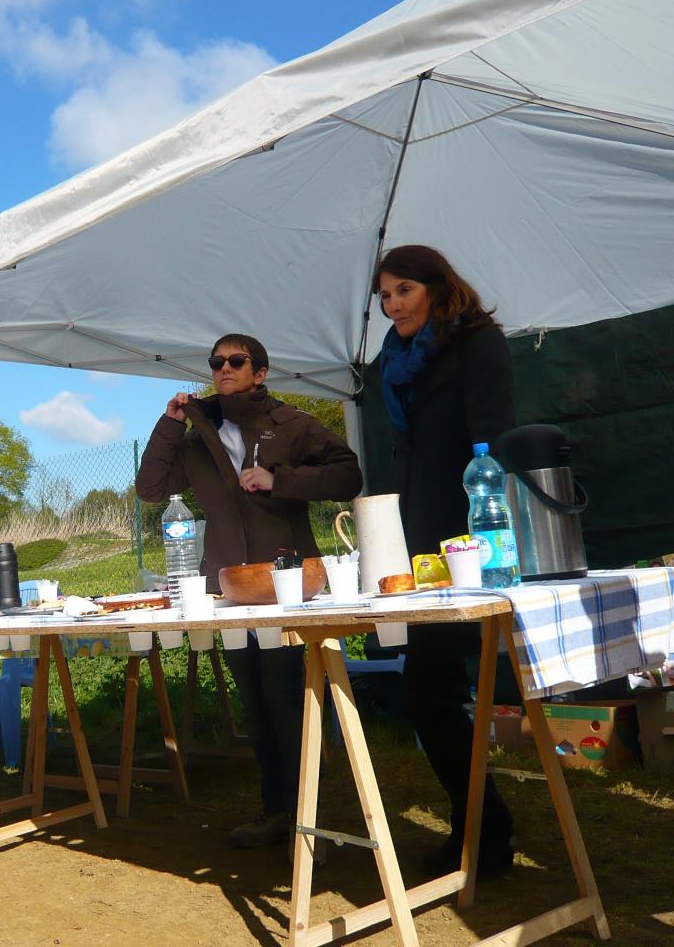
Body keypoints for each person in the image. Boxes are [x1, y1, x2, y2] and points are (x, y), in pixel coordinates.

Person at [136, 334, 362, 848]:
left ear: (260, 371)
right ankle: (276, 811)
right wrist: (170, 424)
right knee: (256, 705)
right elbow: (150, 488)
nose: (224, 369)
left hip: (286, 584)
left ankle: (313, 817)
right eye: (216, 363)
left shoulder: (290, 423)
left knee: (291, 699)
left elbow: (349, 473)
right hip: (230, 587)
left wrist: (278, 479)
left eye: (236, 361)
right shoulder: (196, 434)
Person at [371, 244, 517, 876]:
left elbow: (496, 439)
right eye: (383, 296)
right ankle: (480, 829)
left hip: (473, 537)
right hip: (420, 540)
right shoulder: (394, 361)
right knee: (431, 690)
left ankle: (483, 832)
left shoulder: (476, 344)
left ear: (435, 287)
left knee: (432, 689)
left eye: (403, 290)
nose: (392, 305)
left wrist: (487, 540)